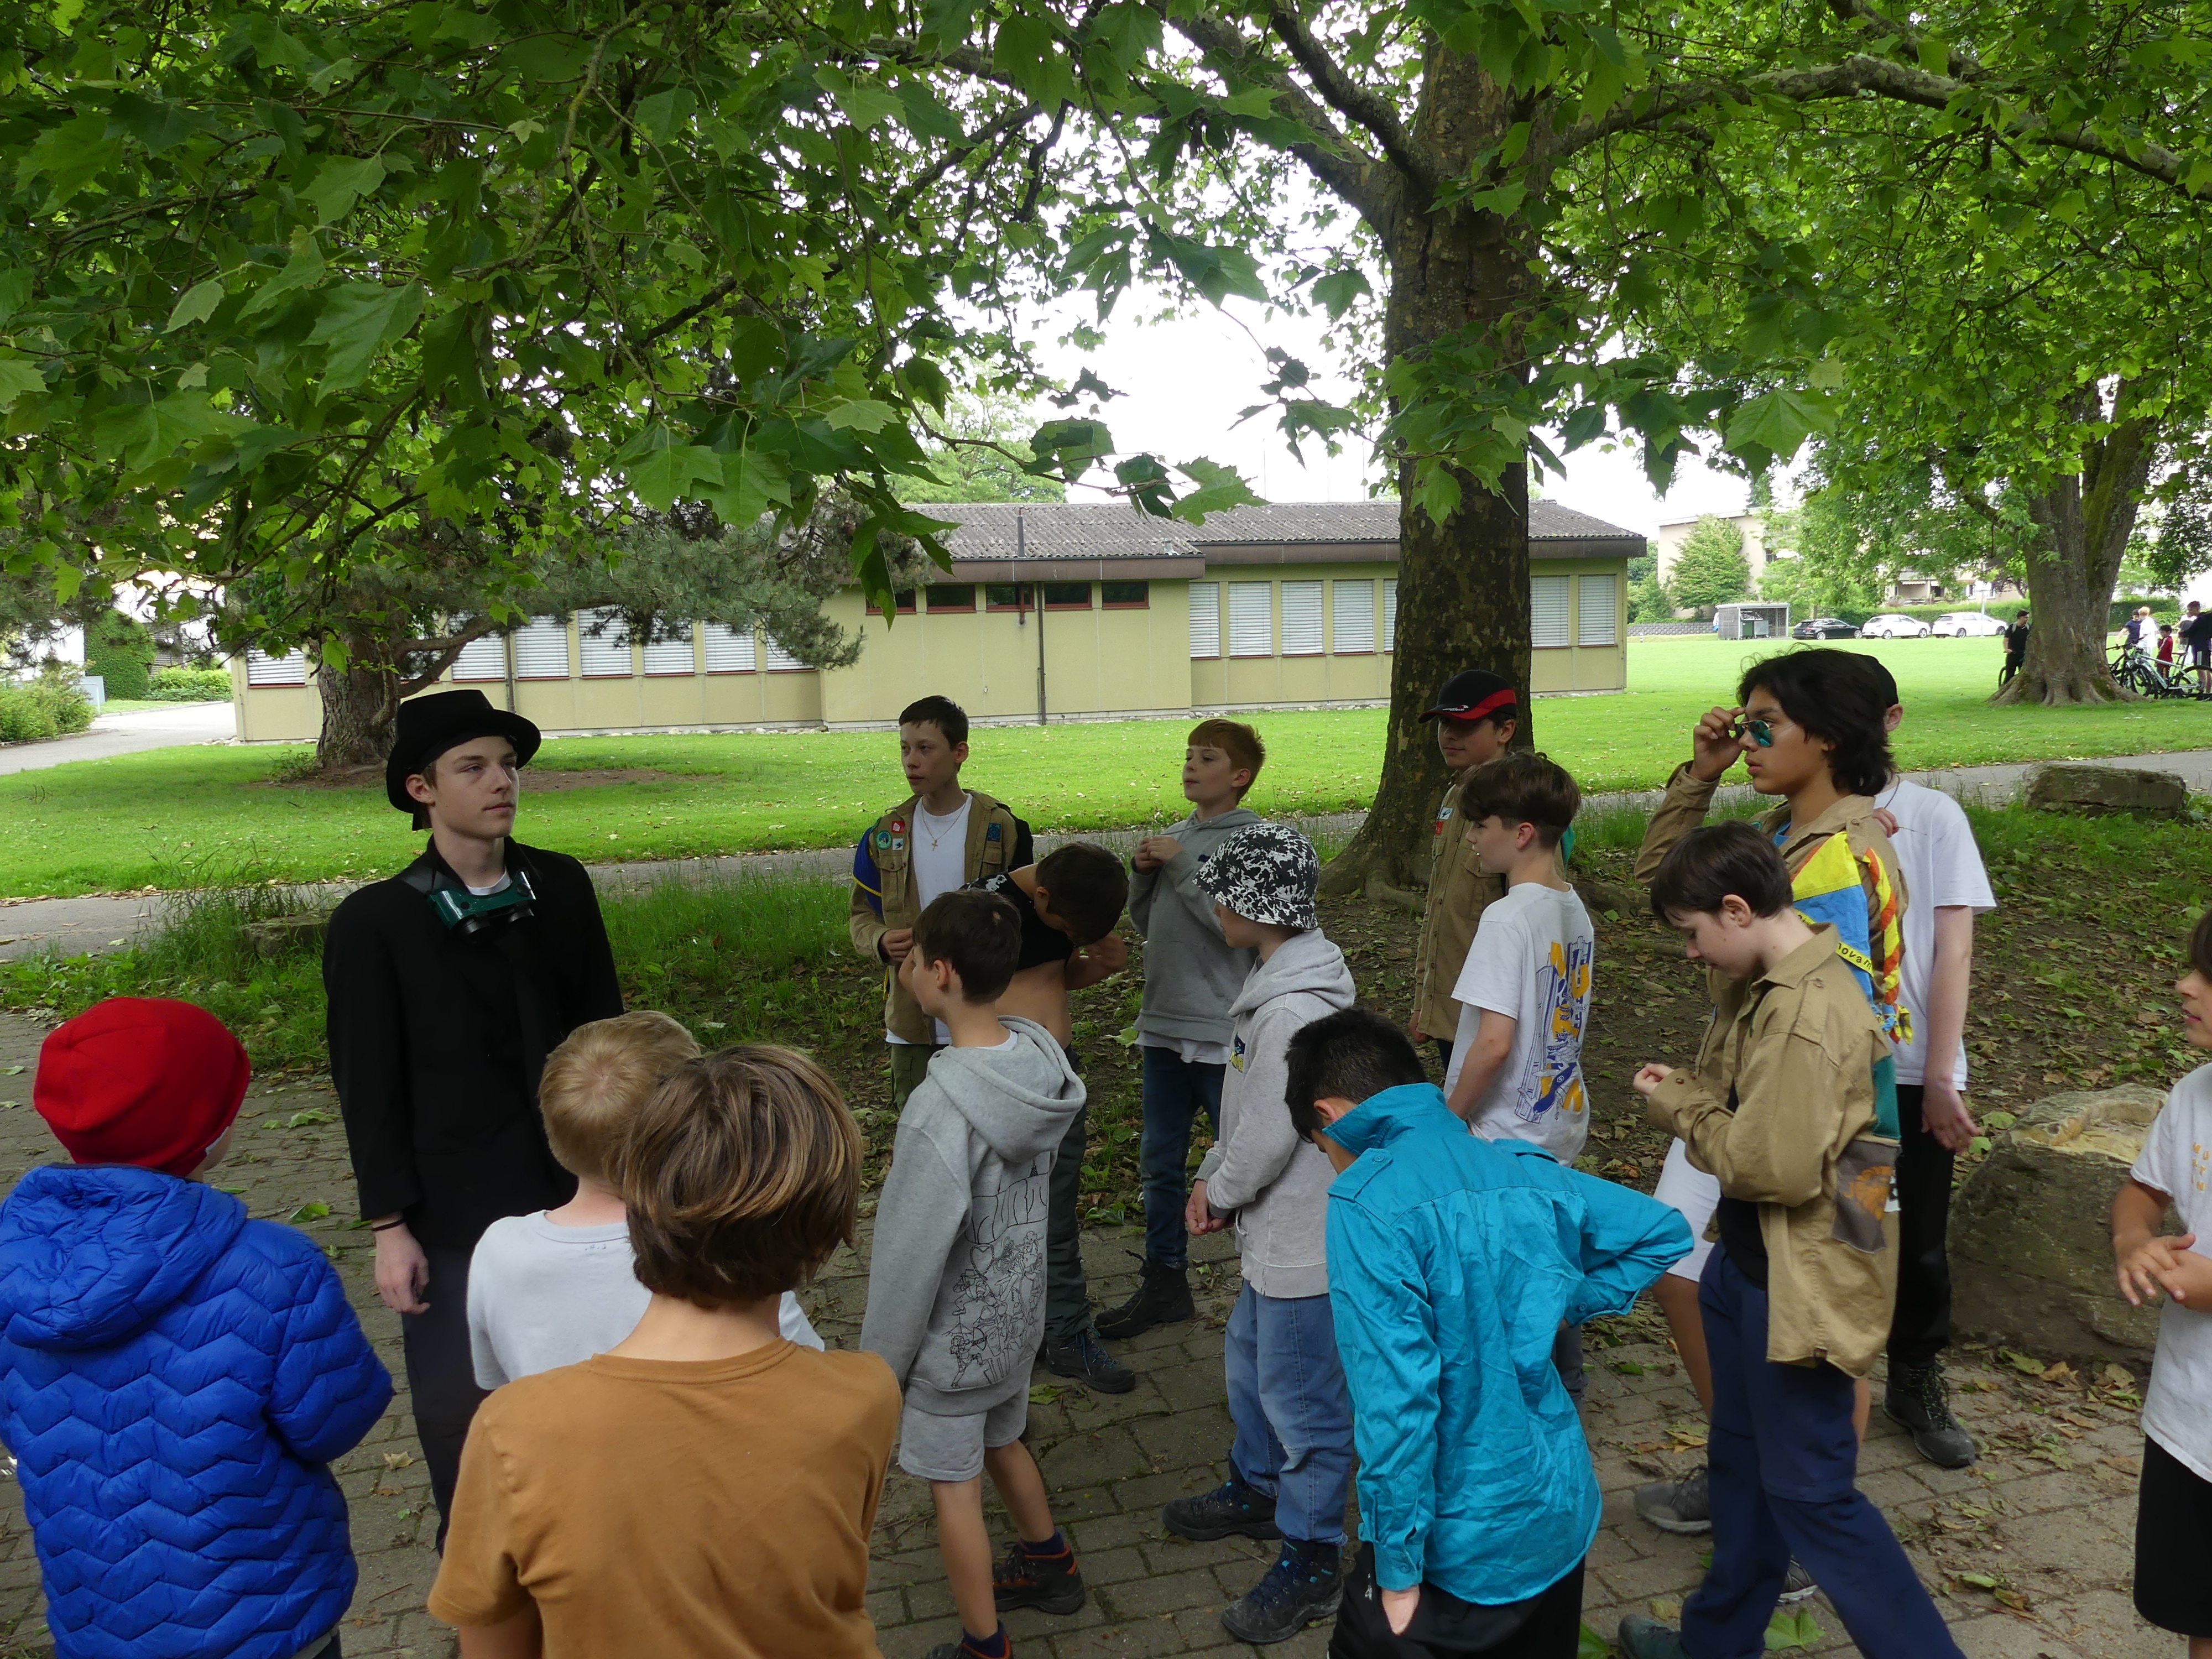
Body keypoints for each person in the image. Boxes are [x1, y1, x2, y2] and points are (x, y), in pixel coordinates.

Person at [1615, 825, 1961, 1659]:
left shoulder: (1807, 1014)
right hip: (1749, 1268)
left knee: (1813, 1496)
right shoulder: (1770, 983)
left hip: (1794, 1292)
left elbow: (1768, 1167)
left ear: (1738, 910)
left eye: (1693, 934)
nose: (1691, 954)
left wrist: (1678, 1104)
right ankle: (1716, 1645)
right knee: (1740, 1469)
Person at [429, 1045, 899, 1657]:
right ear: (825, 1236)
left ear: (635, 1196)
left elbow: (493, 1643)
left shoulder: (514, 1429)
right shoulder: (865, 1395)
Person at [1288, 1008, 1688, 1659]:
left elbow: (1397, 1405)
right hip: (1556, 1515)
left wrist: (1397, 1569)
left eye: (1320, 1149)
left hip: (1460, 1549)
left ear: (1327, 1116)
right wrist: (1564, 1306)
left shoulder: (1367, 1204)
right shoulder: (1522, 1167)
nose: (1332, 1165)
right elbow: (1661, 1231)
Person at [0, 998, 392, 1659]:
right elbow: (332, 1424)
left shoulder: (12, 1267)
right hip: (264, 1618)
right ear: (208, 1126)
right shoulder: (276, 1268)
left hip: (100, 1622)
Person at [325, 686, 623, 1544]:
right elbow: (368, 1087)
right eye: (473, 767)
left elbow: (607, 1039)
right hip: (451, 1216)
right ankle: (484, 1586)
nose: (501, 782)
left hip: (577, 1195)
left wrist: (630, 1175)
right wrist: (390, 1226)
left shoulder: (560, 886)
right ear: (420, 790)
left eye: (508, 765)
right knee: (465, 1419)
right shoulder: (375, 923)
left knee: (591, 1395)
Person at [1628, 649, 1908, 1545]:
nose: (1746, 739)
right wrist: (1699, 778)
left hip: (1831, 1129)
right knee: (1687, 1268)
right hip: (1750, 1101)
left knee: (1824, 1318)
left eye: (1764, 725)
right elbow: (1664, 889)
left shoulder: (1839, 857)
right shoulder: (1789, 832)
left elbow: (1840, 1024)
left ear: (1824, 738)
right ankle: (1752, 1476)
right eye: (1743, 723)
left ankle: (1801, 1509)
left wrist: (1746, 1128)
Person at [861, 890, 1091, 1659]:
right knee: (1004, 1438)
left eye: (917, 960)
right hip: (1016, 1320)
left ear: (941, 974)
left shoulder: (939, 1109)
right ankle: (1051, 1563)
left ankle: (983, 1644)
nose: (910, 970)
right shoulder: (1037, 1064)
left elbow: (908, 1255)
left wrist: (880, 1369)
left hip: (951, 1347)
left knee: (952, 1489)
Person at [1162, 823, 1358, 1645]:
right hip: (1272, 1232)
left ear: (1258, 906)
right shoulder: (1274, 981)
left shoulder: (1291, 1011)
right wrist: (1215, 1172)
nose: (1215, 903)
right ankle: (1257, 1485)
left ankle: (1314, 1557)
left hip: (1302, 1241)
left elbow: (1273, 1134)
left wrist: (1220, 1189)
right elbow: (1244, 1110)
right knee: (1250, 1363)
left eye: (1227, 892)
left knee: (1305, 1401)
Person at [467, 1011, 821, 1388]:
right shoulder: (723, 1245)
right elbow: (805, 1371)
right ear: (690, 1129)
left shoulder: (499, 1249)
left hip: (547, 1425)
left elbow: (495, 1378)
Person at [1859, 658, 1997, 1467]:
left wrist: (1941, 1077)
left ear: (1891, 718)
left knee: (1918, 1239)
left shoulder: (1932, 816)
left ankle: (1914, 1375)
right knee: (1849, 1227)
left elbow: (1953, 950)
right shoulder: (1796, 823)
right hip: (1836, 1072)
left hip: (1913, 1070)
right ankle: (1832, 1378)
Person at [1105, 717, 1266, 1340]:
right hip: (1164, 1027)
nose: (1192, 765)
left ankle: (1265, 1286)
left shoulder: (1253, 841)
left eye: (1208, 757)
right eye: (1190, 755)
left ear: (1240, 776)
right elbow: (1149, 924)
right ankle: (1165, 1280)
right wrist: (1143, 872)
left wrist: (1179, 867)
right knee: (1160, 1162)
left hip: (1222, 1032)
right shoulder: (1174, 837)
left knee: (1243, 1161)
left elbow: (1234, 928)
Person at [1442, 749, 1595, 1400]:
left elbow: (1493, 1043)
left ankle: (1529, 1401)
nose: (1471, 839)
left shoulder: (1506, 917)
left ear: (1522, 832)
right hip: (1555, 1119)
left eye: (1480, 826)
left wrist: (1447, 1119)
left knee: (1507, 1278)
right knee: (1545, 1259)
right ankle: (1565, 1380)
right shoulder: (1571, 905)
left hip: (1504, 1131)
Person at [969, 844, 1135, 1392]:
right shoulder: (985, 909)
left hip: (1057, 1075)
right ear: (1041, 896)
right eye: (1067, 928)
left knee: (1055, 1212)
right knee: (990, 1213)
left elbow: (1054, 980)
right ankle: (990, 1332)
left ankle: (1064, 1332)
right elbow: (940, 986)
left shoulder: (1071, 900)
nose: (1069, 936)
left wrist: (1100, 965)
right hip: (999, 1081)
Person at [852, 695, 1034, 1110]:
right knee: (919, 1125)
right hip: (912, 1022)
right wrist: (879, 940)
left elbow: (1026, 917)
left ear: (959, 753)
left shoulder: (999, 827)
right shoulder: (886, 833)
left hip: (987, 1018)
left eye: (925, 748)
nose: (911, 761)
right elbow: (861, 913)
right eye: (905, 749)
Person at [2112, 908, 2212, 1659]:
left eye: (2208, 975)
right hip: (2188, 1422)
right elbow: (2142, 1193)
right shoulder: (2195, 1093)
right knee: (2198, 1614)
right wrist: (2135, 1240)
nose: (2184, 985)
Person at [1409, 670, 1520, 1074]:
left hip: (1494, 1016)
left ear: (1505, 730)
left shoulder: (1519, 806)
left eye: (1466, 725)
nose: (1449, 735)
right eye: (1444, 724)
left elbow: (1534, 918)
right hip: (1451, 1005)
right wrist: (1425, 1000)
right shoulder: (1456, 795)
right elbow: (1440, 908)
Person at [2000, 610, 2030, 686]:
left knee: (2024, 675)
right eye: (2025, 618)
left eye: (2028, 618)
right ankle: (2005, 687)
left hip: (2024, 654)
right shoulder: (2012, 627)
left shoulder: (2029, 627)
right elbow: (2006, 639)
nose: (2027, 619)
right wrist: (2007, 649)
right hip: (2013, 654)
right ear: (2019, 618)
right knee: (2009, 675)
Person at [2182, 600, 2212, 673]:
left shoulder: (2200, 620)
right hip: (2207, 645)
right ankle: (2208, 681)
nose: (2189, 612)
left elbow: (2190, 631)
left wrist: (2183, 634)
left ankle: (2202, 681)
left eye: (2191, 610)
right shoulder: (2206, 618)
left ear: (2197, 609)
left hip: (2200, 647)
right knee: (2207, 667)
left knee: (2199, 667)